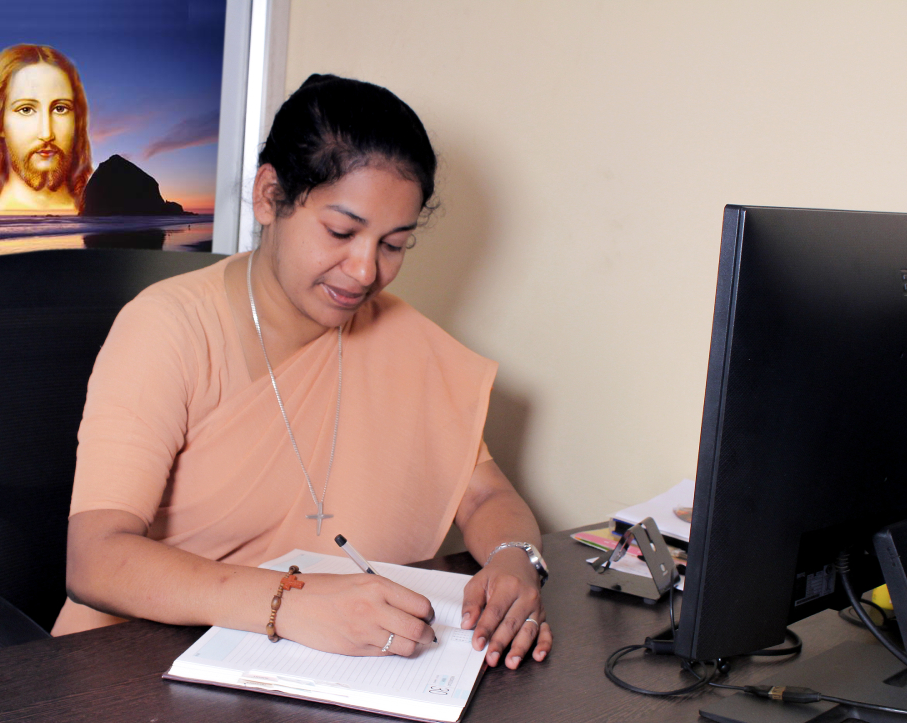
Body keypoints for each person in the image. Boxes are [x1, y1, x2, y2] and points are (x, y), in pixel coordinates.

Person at [55, 74, 552, 670]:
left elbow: (487, 494)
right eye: (341, 232)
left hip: (322, 672)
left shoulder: (400, 339)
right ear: (270, 196)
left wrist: (513, 559)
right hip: (136, 668)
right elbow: (97, 559)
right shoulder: (168, 330)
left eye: (394, 245)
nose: (366, 270)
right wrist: (290, 604)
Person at [0, 44, 92, 216]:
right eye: (26, 109)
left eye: (60, 108)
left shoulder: (101, 208)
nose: (46, 133)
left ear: (77, 121)